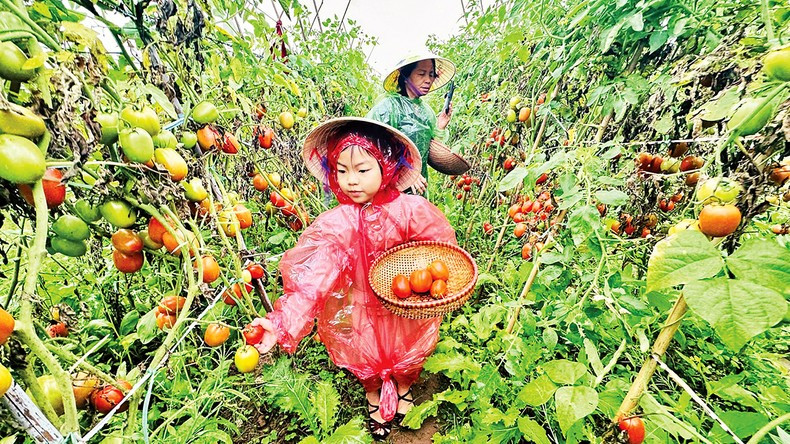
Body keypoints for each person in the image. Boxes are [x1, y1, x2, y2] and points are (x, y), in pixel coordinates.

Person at [250, 117, 457, 440]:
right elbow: (312, 280)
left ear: (386, 167)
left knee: (408, 350)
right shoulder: (338, 223)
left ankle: (403, 387)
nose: (351, 181)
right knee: (364, 354)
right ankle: (374, 395)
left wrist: (429, 277)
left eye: (362, 170)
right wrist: (281, 323)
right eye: (342, 171)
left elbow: (439, 252)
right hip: (359, 302)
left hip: (403, 304)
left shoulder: (411, 210)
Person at [366, 54, 456, 195]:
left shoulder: (427, 113)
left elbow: (429, 150)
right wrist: (406, 172)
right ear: (405, 76)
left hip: (418, 190)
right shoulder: (388, 107)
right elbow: (370, 147)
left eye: (432, 74)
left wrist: (440, 125)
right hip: (388, 190)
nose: (428, 80)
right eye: (421, 74)